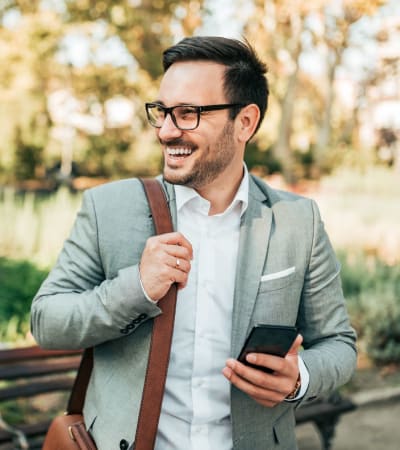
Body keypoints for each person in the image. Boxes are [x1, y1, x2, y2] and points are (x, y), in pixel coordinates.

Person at [31, 36, 357, 450]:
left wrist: (300, 377)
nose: (167, 131)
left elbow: (339, 344)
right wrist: (137, 288)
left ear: (246, 122)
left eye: (188, 114)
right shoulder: (106, 208)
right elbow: (47, 321)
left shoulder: (298, 221)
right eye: (162, 112)